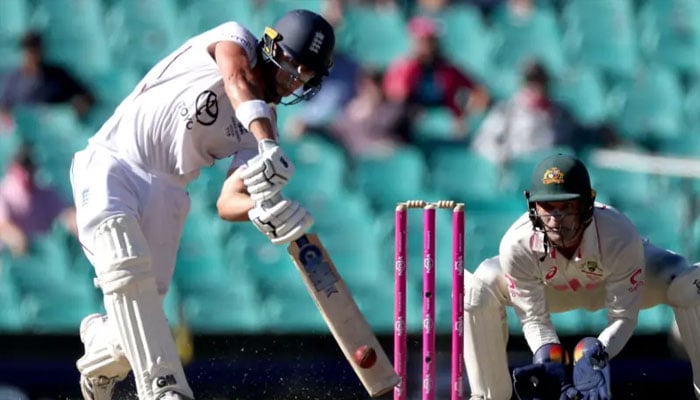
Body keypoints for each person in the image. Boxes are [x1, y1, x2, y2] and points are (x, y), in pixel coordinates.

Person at [69, 9, 334, 400]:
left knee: (136, 326)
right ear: (272, 46)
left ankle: (98, 347)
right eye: (292, 64)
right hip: (113, 161)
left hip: (169, 193)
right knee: (126, 271)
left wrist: (261, 210)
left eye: (305, 74)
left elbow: (228, 202)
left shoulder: (263, 125)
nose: (293, 78)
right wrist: (267, 144)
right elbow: (236, 79)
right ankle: (166, 390)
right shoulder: (234, 40)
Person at [462, 154, 700, 399]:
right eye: (548, 207)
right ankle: (487, 396)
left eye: (567, 206)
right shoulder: (517, 244)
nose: (556, 219)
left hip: (621, 284)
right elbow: (534, 318)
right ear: (533, 206)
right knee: (479, 288)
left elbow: (624, 317)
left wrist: (598, 352)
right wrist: (547, 355)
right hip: (552, 290)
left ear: (587, 203)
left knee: (690, 284)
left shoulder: (618, 234)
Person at [382, 15, 489, 138]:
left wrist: (463, 111)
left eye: (431, 40)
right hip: (409, 125)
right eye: (423, 40)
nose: (427, 45)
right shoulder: (401, 68)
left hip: (444, 122)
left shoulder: (448, 69)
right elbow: (396, 98)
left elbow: (476, 91)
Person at [0, 143, 77, 257]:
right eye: (23, 168)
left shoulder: (46, 193)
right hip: (13, 258)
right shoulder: (3, 193)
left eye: (29, 167)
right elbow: (3, 227)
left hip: (43, 256)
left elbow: (67, 215)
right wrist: (19, 240)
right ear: (13, 168)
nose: (26, 174)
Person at [0, 31, 94, 118]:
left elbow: (87, 96)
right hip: (26, 132)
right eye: (30, 51)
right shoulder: (12, 81)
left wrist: (78, 105)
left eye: (36, 50)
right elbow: (3, 109)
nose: (33, 55)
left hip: (57, 130)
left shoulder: (58, 76)